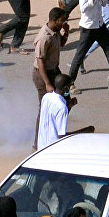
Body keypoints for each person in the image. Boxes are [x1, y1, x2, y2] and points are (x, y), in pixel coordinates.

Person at [32, 9, 71, 146]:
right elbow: (40, 61)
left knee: (66, 98)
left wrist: (66, 32)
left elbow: (61, 44)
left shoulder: (55, 32)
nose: (64, 23)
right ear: (54, 20)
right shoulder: (45, 37)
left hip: (54, 71)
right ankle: (37, 145)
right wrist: (47, 83)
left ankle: (59, 130)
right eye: (62, 21)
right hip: (43, 74)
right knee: (44, 109)